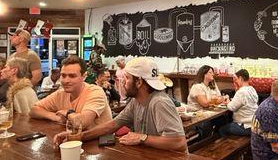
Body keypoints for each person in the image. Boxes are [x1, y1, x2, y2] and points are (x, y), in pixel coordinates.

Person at [53, 57, 186, 152]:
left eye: (127, 78)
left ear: (139, 82)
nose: (122, 82)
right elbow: (112, 125)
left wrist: (142, 138)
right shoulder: (136, 102)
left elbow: (179, 142)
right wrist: (78, 137)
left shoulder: (159, 102)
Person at [30, 56, 112, 129]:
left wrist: (67, 113)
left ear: (84, 76)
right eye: (63, 75)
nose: (66, 81)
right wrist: (55, 117)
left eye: (72, 76)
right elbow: (33, 110)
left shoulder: (95, 92)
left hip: (99, 142)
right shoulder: (61, 93)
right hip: (74, 138)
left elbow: (82, 123)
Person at [219, 69, 258, 136]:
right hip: (254, 124)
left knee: (221, 130)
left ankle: (228, 145)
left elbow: (232, 107)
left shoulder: (242, 91)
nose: (235, 82)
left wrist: (228, 101)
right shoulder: (252, 89)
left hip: (245, 126)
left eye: (236, 79)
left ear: (240, 78)